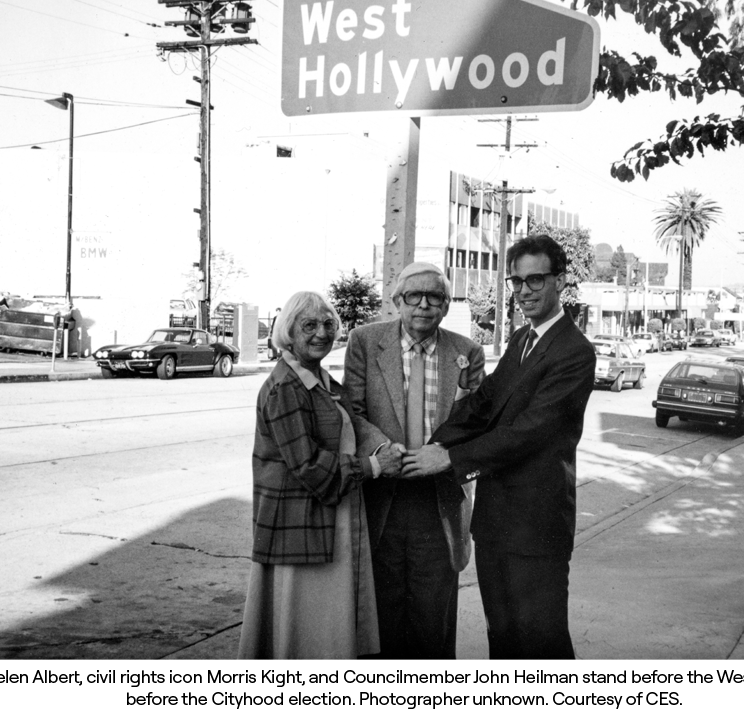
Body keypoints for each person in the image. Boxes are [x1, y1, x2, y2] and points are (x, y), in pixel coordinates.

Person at [402, 235, 596, 659]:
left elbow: (529, 432)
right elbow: (483, 404)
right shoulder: (522, 342)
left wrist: (449, 459)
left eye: (536, 280)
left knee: (541, 645)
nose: (524, 291)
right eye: (517, 281)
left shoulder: (574, 352)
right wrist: (427, 446)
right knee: (504, 641)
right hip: (495, 523)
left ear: (560, 281)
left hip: (536, 528)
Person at [238, 291, 401, 659]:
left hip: (326, 522)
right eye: (308, 325)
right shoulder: (286, 388)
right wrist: (376, 466)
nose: (321, 333)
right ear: (288, 332)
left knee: (319, 631)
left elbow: (351, 427)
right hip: (302, 528)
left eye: (329, 324)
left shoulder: (318, 380)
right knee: (306, 636)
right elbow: (308, 467)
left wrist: (382, 448)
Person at [343, 262, 486, 659]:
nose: (424, 305)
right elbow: (351, 411)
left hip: (439, 504)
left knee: (432, 623)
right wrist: (381, 450)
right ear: (396, 302)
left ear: (445, 304)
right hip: (381, 500)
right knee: (380, 619)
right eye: (413, 296)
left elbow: (477, 427)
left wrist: (445, 457)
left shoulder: (467, 352)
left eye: (435, 296)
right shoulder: (365, 342)